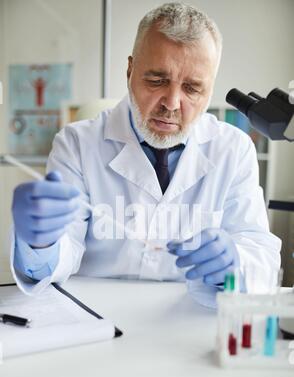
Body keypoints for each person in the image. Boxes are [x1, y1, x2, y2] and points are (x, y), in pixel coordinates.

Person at [11, 3, 281, 305]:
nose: (172, 103)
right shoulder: (77, 144)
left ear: (210, 89)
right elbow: (63, 253)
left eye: (192, 88)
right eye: (157, 80)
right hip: (97, 321)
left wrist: (236, 262)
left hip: (191, 325)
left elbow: (261, 255)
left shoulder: (234, 150)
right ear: (130, 70)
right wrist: (39, 240)